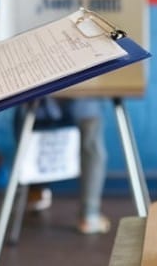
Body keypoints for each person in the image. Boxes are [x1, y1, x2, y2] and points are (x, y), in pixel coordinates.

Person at [21, 97, 111, 235]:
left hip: (41, 101)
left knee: (31, 135)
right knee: (92, 147)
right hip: (84, 99)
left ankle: (35, 194)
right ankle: (89, 215)